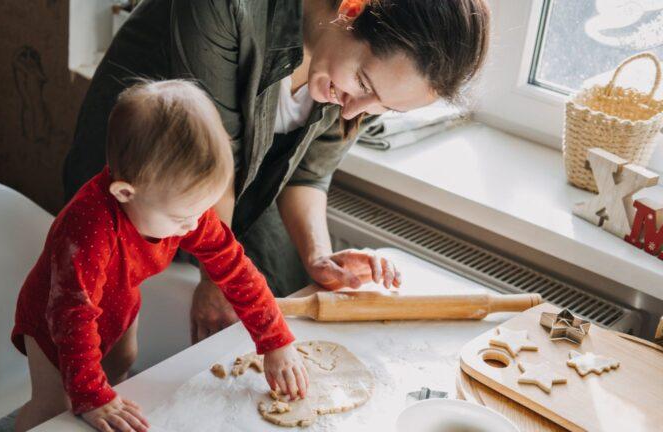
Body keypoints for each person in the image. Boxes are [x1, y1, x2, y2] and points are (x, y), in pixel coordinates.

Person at [63, 0, 490, 343]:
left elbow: (307, 175)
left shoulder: (354, 87)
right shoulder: (228, 8)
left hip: (244, 186)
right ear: (352, 9)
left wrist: (318, 255)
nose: (356, 108)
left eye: (384, 107)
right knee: (117, 332)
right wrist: (218, 276)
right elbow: (216, 161)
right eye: (363, 83)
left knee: (288, 299)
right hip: (144, 184)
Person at [12, 80, 309, 432]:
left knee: (123, 367)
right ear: (125, 193)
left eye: (200, 211)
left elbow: (235, 268)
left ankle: (107, 406)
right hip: (55, 319)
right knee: (56, 408)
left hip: (118, 301)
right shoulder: (87, 229)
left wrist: (275, 339)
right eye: (182, 217)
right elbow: (71, 317)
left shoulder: (186, 211)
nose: (193, 225)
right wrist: (92, 396)